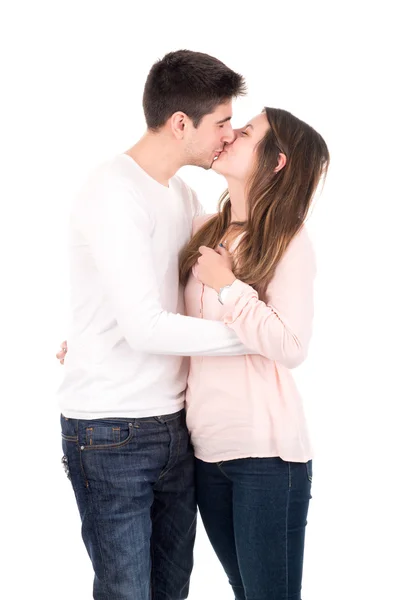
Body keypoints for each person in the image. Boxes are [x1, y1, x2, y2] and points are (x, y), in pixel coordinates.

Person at [57, 49, 259, 600]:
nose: (228, 135)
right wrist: (255, 337)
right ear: (180, 124)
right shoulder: (112, 191)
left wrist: (92, 329)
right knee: (127, 592)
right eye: (221, 123)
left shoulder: (181, 193)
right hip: (110, 429)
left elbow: (170, 296)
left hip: (173, 425)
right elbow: (146, 326)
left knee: (171, 590)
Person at [179, 107, 329, 599]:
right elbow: (163, 319)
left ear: (277, 162)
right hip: (205, 450)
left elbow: (291, 345)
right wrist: (101, 339)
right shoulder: (203, 229)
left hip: (267, 456)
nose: (228, 136)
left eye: (244, 133)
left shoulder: (289, 241)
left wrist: (229, 288)